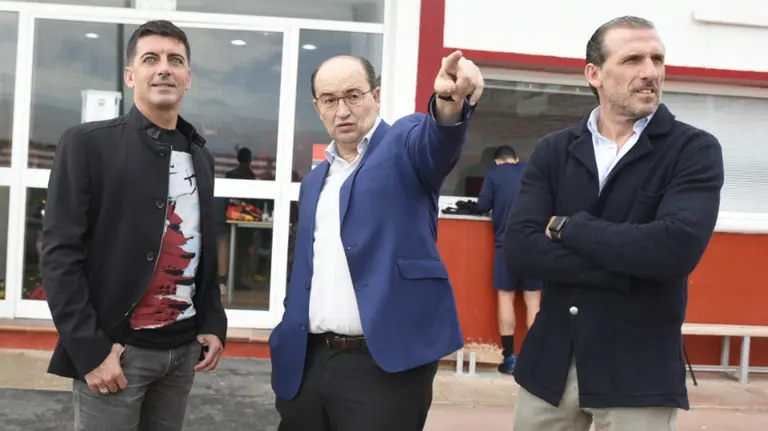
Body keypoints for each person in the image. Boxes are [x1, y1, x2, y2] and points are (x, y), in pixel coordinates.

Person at [504, 16, 724, 431]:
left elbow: (674, 250)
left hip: (637, 373)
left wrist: (570, 228)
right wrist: (628, 270)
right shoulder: (554, 150)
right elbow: (520, 247)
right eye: (632, 60)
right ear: (594, 74)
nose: (650, 72)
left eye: (657, 59)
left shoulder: (693, 150)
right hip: (550, 368)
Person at [268, 51, 484, 431]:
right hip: (309, 363)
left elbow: (437, 141)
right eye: (330, 100)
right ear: (317, 108)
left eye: (354, 95)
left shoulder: (404, 145)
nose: (343, 110)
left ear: (376, 96)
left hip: (384, 366)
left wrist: (449, 104)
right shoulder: (315, 181)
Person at [41, 20, 227, 430]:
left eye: (175, 60)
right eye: (150, 59)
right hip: (117, 355)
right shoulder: (88, 145)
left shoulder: (200, 154)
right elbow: (59, 256)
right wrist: (91, 351)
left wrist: (213, 320)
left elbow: (202, 244)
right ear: (130, 76)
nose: (164, 68)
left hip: (181, 354)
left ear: (188, 77)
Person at [474, 145, 541, 375]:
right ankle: (533, 359)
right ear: (516, 158)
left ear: (497, 162)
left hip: (506, 246)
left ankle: (509, 358)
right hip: (533, 244)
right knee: (534, 301)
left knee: (506, 297)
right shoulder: (532, 169)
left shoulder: (494, 174)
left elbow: (482, 205)